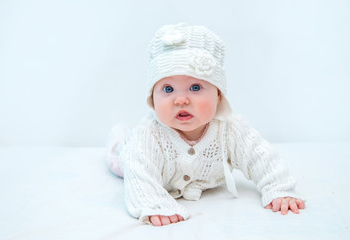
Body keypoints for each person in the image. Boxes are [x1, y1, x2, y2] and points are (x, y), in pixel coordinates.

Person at [106, 23, 305, 227]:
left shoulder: (230, 129)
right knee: (122, 159)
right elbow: (139, 172)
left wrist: (279, 189)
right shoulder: (147, 136)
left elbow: (260, 157)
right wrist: (155, 204)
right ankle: (118, 138)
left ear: (218, 95)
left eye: (195, 87)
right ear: (152, 98)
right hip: (131, 156)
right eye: (167, 89)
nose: (180, 100)